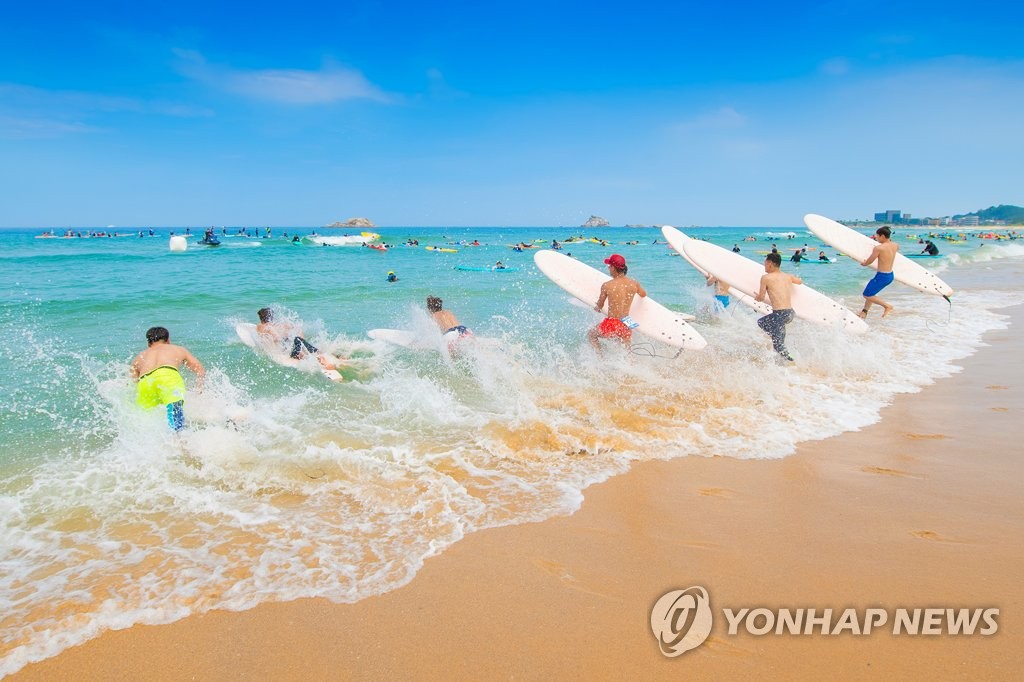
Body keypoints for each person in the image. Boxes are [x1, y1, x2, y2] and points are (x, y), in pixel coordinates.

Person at [130, 326, 205, 431]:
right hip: (167, 377)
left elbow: (133, 384)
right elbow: (200, 370)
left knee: (146, 422)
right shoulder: (177, 349)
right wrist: (199, 392)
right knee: (175, 422)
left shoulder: (138, 357)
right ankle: (179, 443)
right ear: (168, 340)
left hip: (145, 383)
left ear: (148, 343)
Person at [588, 254, 647, 351]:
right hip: (627, 323)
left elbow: (600, 306)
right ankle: (631, 363)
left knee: (591, 334)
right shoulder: (634, 284)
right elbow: (643, 294)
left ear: (613, 268)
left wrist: (596, 307)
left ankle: (601, 359)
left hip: (613, 323)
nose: (609, 269)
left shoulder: (607, 285)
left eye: (609, 266)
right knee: (626, 350)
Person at [256, 308, 338, 370]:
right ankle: (331, 357)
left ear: (261, 318)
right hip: (294, 341)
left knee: (300, 353)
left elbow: (275, 339)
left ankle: (321, 361)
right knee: (306, 347)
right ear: (271, 316)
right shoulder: (277, 325)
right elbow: (297, 328)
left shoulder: (261, 326)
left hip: (287, 345)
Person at [755, 253, 801, 362]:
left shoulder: (766, 278)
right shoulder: (787, 276)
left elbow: (761, 297)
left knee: (763, 324)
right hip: (790, 313)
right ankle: (779, 339)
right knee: (776, 339)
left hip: (779, 314)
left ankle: (793, 362)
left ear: (770, 263)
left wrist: (756, 297)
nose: (764, 265)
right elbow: (799, 281)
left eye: (765, 262)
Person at [859, 226, 898, 318]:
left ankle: (887, 306)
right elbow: (888, 255)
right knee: (872, 293)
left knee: (866, 295)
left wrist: (864, 264)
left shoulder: (879, 248)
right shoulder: (896, 245)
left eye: (878, 236)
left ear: (883, 236)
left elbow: (870, 261)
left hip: (882, 276)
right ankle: (864, 312)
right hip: (890, 275)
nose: (876, 238)